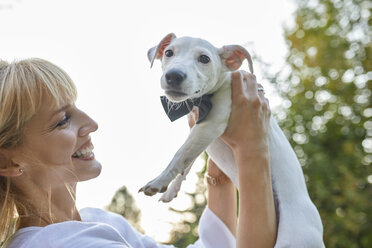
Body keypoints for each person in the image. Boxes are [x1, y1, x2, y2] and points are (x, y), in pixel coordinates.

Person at [0, 58, 276, 248]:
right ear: (8, 161)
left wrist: (219, 172)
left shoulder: (98, 221)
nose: (91, 124)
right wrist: (253, 150)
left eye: (75, 108)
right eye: (62, 120)